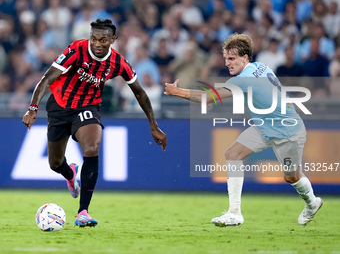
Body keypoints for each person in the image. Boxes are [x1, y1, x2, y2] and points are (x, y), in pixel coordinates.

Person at [164, 33, 322, 227]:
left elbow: (208, 98)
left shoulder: (243, 79)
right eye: (225, 59)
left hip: (288, 132)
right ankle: (235, 213)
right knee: (232, 153)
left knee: (292, 177)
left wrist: (177, 91)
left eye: (232, 58)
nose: (227, 63)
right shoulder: (260, 66)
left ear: (245, 58)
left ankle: (312, 203)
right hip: (264, 127)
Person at [22, 19, 167, 228]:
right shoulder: (76, 50)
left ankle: (83, 212)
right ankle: (71, 174)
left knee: (92, 147)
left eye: (103, 40)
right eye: (94, 38)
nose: (97, 43)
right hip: (59, 107)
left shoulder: (119, 62)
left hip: (88, 107)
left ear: (112, 40)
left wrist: (153, 125)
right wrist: (33, 108)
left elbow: (140, 93)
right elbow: (46, 78)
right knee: (54, 163)